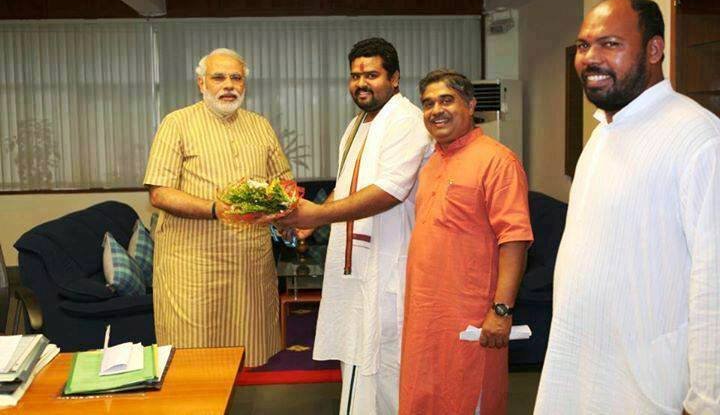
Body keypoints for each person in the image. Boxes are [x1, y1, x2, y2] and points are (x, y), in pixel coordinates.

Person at [534, 0, 720, 414]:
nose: (589, 58)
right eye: (584, 46)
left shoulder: (699, 140)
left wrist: (708, 402)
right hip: (580, 373)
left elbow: (715, 287)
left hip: (649, 390)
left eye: (610, 44)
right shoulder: (603, 133)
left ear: (655, 50)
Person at [275, 38, 432, 414]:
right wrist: (310, 224)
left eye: (372, 75)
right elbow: (347, 185)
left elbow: (389, 192)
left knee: (385, 364)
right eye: (355, 75)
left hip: (387, 263)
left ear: (394, 78)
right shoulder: (359, 123)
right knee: (358, 362)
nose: (361, 83)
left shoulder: (406, 121)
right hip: (354, 263)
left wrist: (318, 215)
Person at [143, 48, 292, 367]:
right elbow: (160, 193)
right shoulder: (177, 123)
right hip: (193, 265)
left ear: (245, 84)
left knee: (249, 351)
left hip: (248, 263)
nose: (229, 85)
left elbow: (283, 183)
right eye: (219, 77)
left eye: (236, 78)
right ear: (201, 83)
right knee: (192, 357)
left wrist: (286, 213)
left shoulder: (260, 125)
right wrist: (214, 208)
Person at [398, 70, 533, 415]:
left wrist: (501, 311)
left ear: (471, 105)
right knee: (422, 400)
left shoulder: (498, 161)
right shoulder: (431, 164)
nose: (435, 110)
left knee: (466, 400)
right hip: (425, 318)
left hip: (469, 320)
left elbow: (515, 239)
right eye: (428, 103)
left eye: (446, 100)